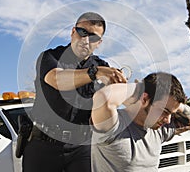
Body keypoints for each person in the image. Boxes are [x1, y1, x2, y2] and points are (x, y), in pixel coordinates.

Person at [22, 12, 127, 172]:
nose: (85, 40)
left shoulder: (103, 66)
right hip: (43, 145)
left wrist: (119, 89)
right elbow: (56, 79)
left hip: (82, 147)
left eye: (93, 37)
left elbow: (111, 105)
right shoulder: (50, 57)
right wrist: (94, 73)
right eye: (82, 32)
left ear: (99, 42)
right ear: (73, 32)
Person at [91, 72, 190, 172]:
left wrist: (174, 103)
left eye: (172, 113)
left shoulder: (159, 130)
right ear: (144, 99)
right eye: (164, 111)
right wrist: (139, 88)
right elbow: (103, 97)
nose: (168, 120)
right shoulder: (113, 125)